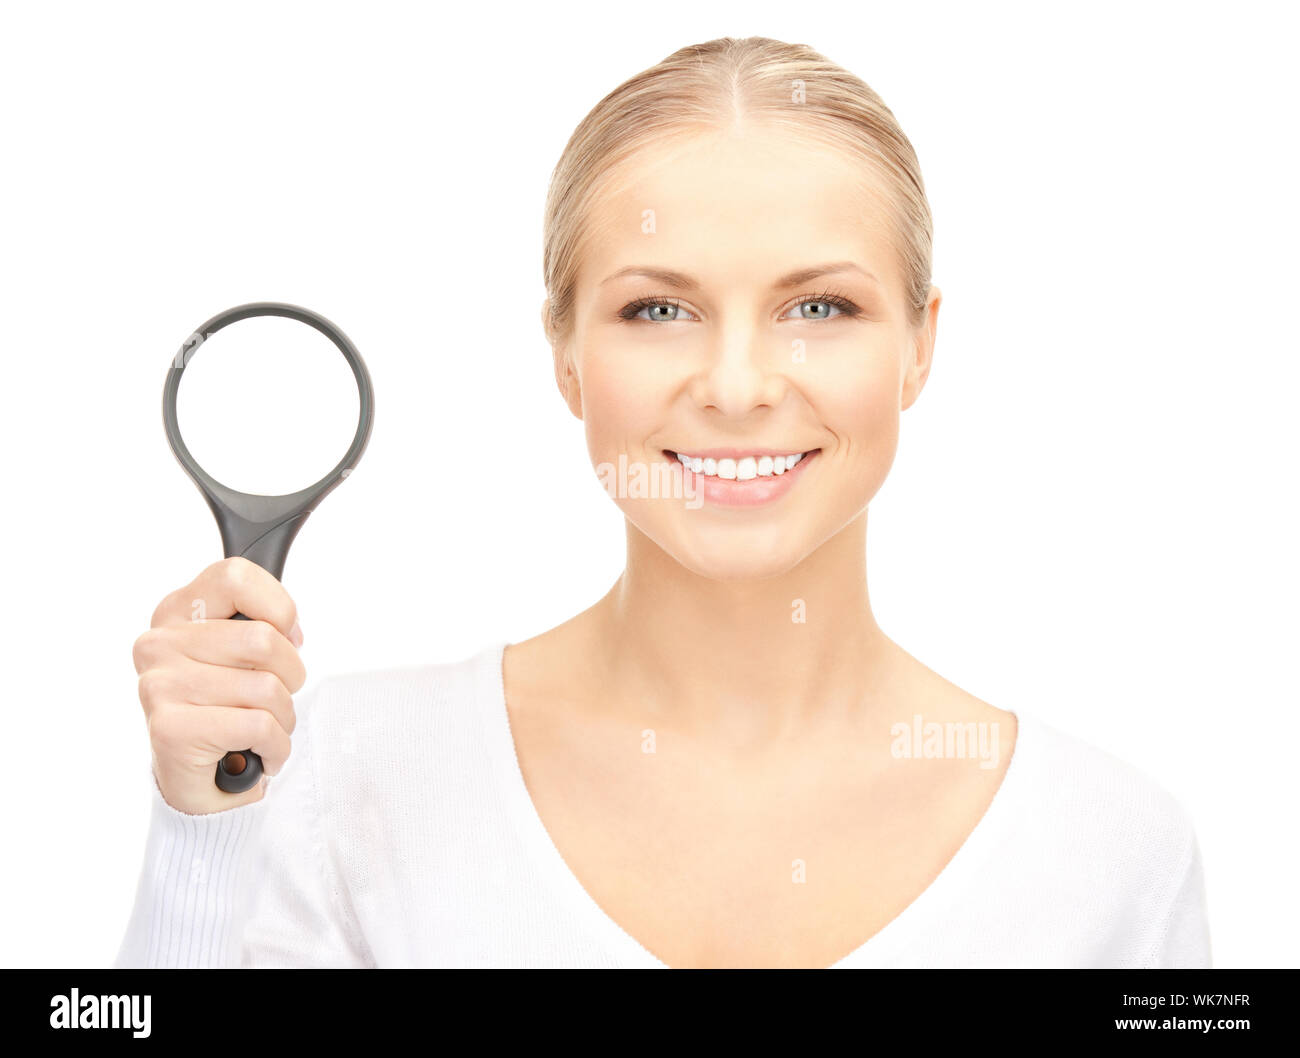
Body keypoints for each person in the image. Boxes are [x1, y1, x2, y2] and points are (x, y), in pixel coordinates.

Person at [114, 35, 1211, 969]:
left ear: (922, 344)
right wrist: (202, 832)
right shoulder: (337, 775)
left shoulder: (1116, 851)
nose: (736, 386)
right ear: (566, 355)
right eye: (657, 311)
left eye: (819, 305)